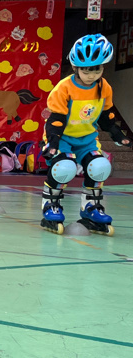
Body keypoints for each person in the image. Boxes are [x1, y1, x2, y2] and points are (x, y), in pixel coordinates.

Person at [39, 34, 131, 235]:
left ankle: (91, 208)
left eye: (96, 70)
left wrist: (117, 134)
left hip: (87, 138)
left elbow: (106, 115)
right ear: (75, 68)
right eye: (86, 70)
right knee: (65, 168)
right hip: (62, 137)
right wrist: (53, 142)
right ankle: (50, 205)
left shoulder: (103, 87)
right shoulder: (64, 88)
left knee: (100, 167)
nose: (91, 75)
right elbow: (56, 119)